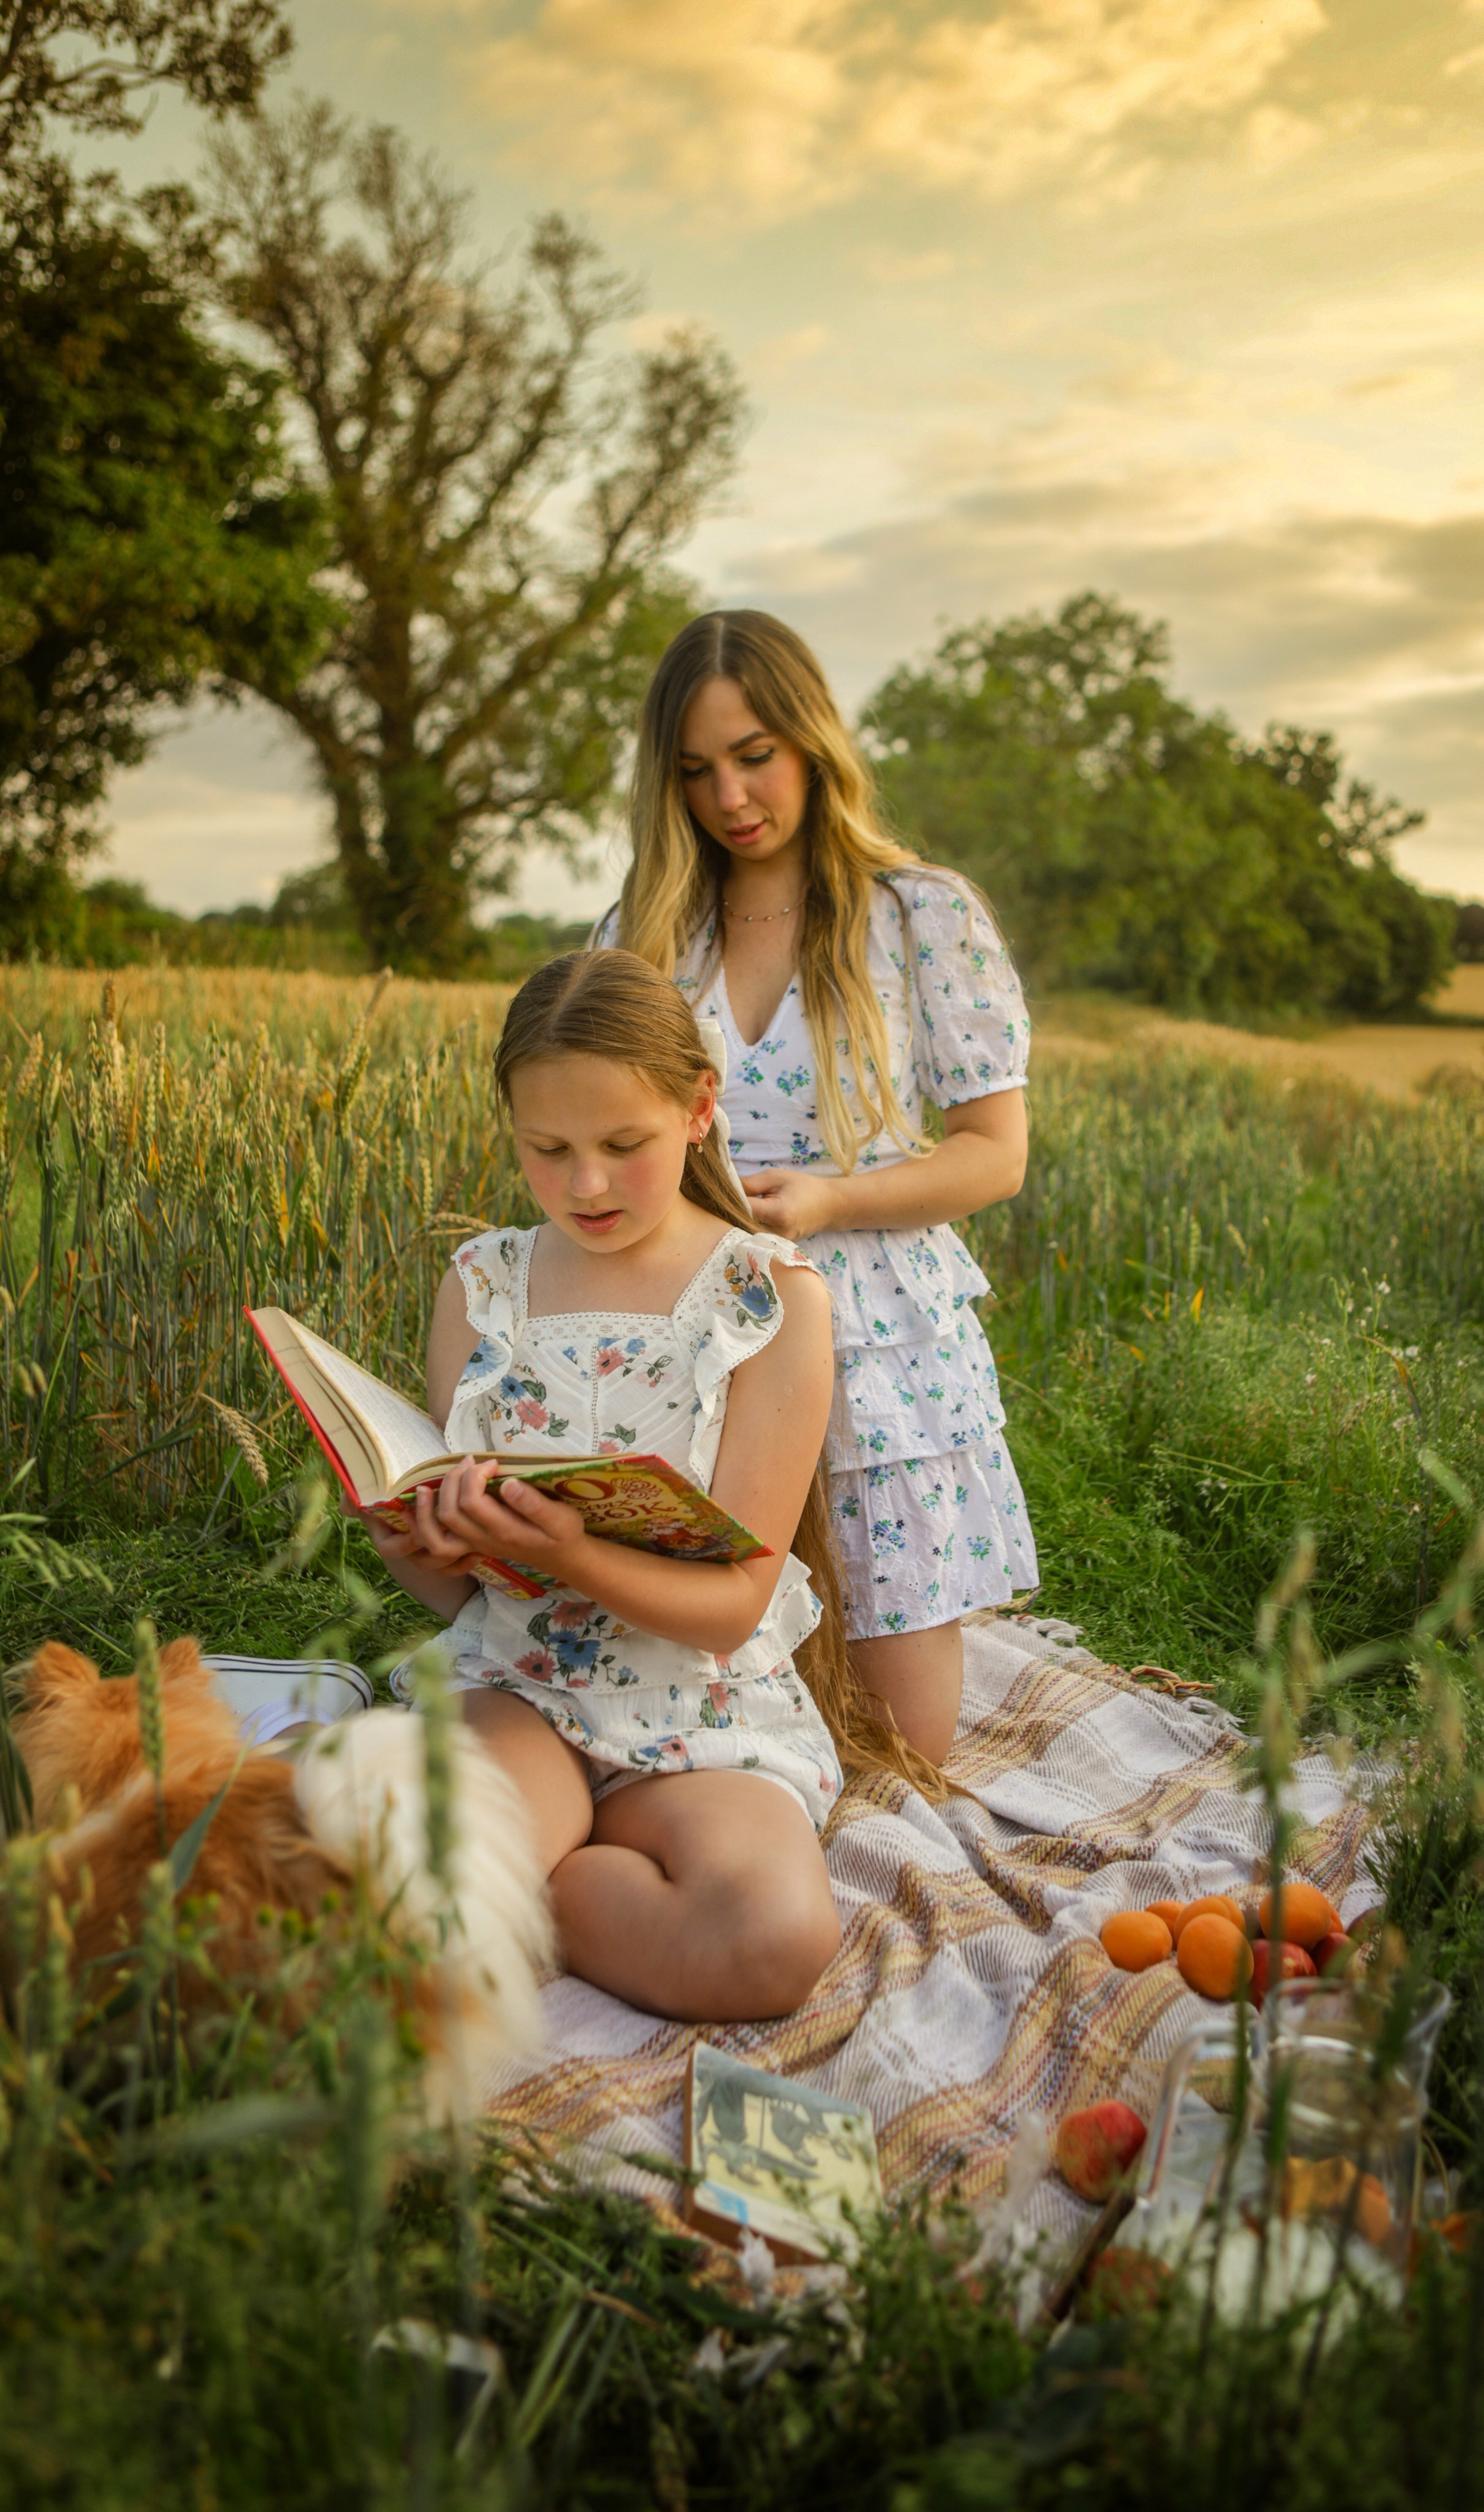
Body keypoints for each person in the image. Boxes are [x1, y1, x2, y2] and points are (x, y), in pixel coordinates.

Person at [361, 948, 926, 2023]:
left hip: (701, 1707)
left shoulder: (768, 1299)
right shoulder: (484, 1284)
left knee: (772, 1943)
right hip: (518, 1685)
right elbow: (469, 1600)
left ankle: (549, 1887)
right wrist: (418, 1542)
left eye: (624, 1146)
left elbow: (733, 1609)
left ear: (699, 1108)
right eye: (548, 1148)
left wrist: (569, 1552)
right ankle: (523, 1858)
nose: (585, 1184)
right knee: (407, 1895)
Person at [598, 609, 1037, 1767]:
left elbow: (995, 1151)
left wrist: (834, 1204)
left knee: (903, 1749)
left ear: (812, 742)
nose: (730, 797)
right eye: (694, 771)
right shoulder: (644, 930)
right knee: (699, 1704)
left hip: (878, 1333)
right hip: (692, 1317)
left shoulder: (918, 915)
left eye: (755, 756)